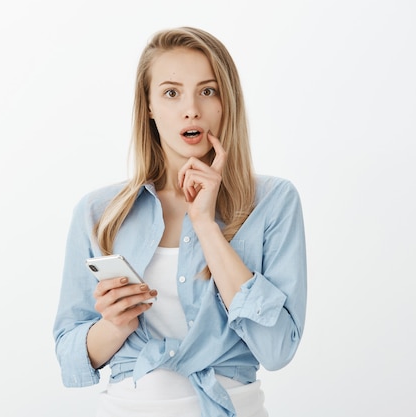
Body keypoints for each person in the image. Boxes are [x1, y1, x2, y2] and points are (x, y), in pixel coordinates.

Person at [53, 26, 307, 417]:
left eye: (208, 91)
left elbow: (276, 350)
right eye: (171, 93)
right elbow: (70, 351)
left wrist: (205, 223)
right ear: (149, 105)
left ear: (227, 102)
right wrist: (115, 325)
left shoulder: (273, 202)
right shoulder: (98, 211)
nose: (192, 109)